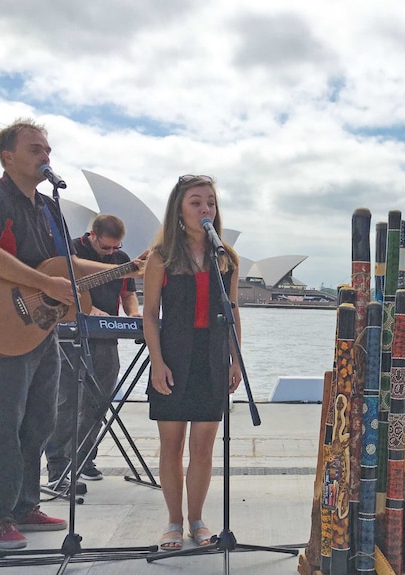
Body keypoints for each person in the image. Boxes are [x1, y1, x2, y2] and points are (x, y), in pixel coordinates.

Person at [0, 118, 142, 549]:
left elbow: (66, 266)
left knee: (41, 418)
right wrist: (42, 285)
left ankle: (25, 505)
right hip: (4, 325)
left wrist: (129, 268)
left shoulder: (47, 206)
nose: (46, 156)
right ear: (9, 156)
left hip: (40, 330)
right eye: (35, 149)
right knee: (5, 423)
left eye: (47, 149)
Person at [143, 174, 242, 551]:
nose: (205, 209)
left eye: (210, 203)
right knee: (172, 445)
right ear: (179, 210)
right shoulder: (162, 257)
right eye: (196, 202)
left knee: (203, 446)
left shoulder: (225, 257)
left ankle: (198, 519)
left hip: (211, 357)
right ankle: (173, 520)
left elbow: (232, 309)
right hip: (174, 355)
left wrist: (236, 359)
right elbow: (150, 314)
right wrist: (157, 361)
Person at [44, 214, 141, 493]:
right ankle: (58, 466)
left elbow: (127, 293)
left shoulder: (122, 258)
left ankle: (85, 459)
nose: (111, 253)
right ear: (92, 236)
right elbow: (55, 287)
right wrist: (85, 310)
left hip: (105, 336)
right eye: (106, 248)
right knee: (67, 401)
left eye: (116, 248)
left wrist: (133, 314)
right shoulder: (71, 252)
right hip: (70, 332)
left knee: (99, 400)